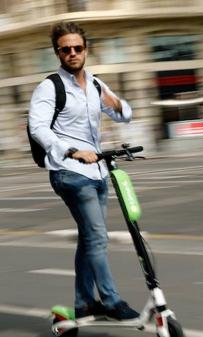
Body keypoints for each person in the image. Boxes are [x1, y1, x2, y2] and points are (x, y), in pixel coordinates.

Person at [28, 22, 140, 321]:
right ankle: (111, 301)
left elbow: (124, 114)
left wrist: (114, 102)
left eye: (78, 48)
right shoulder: (50, 87)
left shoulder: (95, 84)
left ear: (86, 50)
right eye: (66, 49)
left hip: (99, 171)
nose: (73, 53)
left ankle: (82, 304)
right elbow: (38, 127)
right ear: (58, 52)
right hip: (70, 173)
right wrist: (71, 151)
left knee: (90, 239)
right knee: (97, 238)